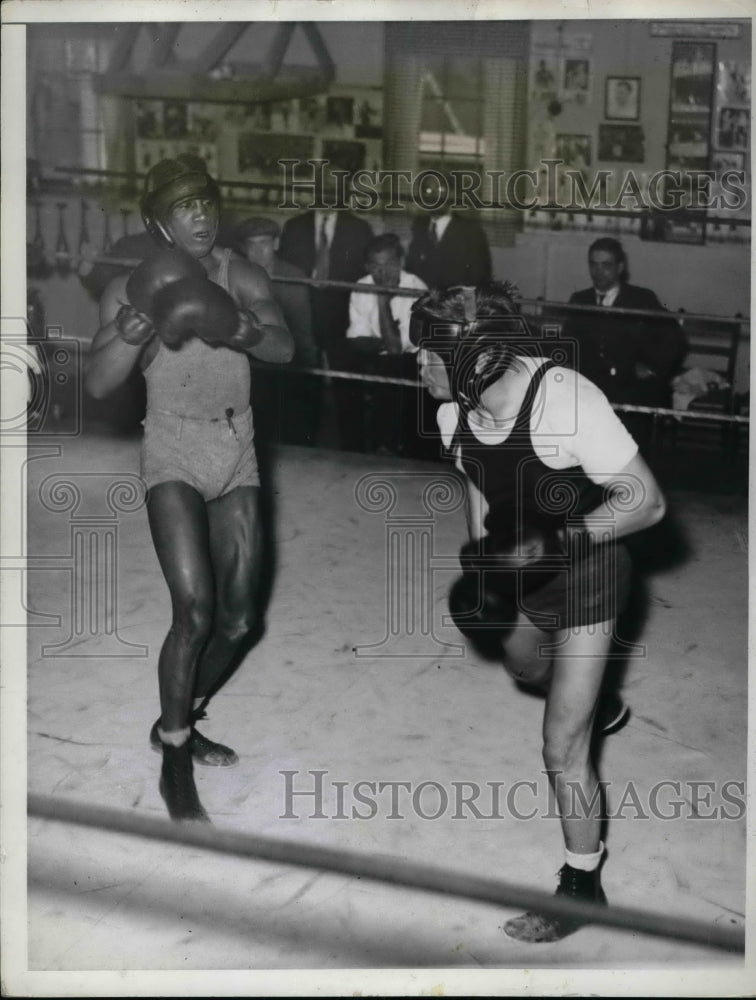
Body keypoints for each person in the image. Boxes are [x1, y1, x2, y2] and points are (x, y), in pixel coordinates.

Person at [412, 281, 666, 942]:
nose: (419, 364)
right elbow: (478, 488)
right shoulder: (454, 414)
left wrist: (560, 541)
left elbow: (646, 501)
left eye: (431, 353)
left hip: (589, 574)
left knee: (561, 744)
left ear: (476, 358)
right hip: (520, 570)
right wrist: (484, 568)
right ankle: (593, 698)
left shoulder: (565, 401)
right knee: (525, 668)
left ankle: (582, 885)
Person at [84, 155, 294, 822]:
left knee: (240, 620)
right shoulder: (129, 287)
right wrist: (131, 333)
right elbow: (98, 383)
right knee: (195, 610)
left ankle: (178, 716)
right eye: (184, 206)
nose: (201, 215)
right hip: (172, 447)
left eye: (206, 201)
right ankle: (175, 759)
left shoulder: (242, 272)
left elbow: (286, 348)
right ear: (159, 223)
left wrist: (241, 328)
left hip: (236, 447)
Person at [562, 238, 687, 447]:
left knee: (628, 445)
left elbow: (676, 341)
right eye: (593, 264)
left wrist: (653, 368)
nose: (598, 272)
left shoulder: (642, 299)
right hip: (590, 388)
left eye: (606, 265)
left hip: (631, 390)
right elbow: (568, 343)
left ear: (620, 267)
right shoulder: (579, 300)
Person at [278, 203, 373, 449]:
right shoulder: (295, 226)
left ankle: (354, 449)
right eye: (323, 185)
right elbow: (285, 271)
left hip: (343, 318)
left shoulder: (359, 228)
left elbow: (365, 274)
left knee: (347, 386)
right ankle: (304, 443)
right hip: (302, 316)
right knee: (303, 382)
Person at [236, 216, 320, 446]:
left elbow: (302, 327)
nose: (258, 251)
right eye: (251, 245)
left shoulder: (292, 276)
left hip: (286, 357)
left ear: (276, 244)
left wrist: (309, 362)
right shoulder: (236, 274)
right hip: (249, 359)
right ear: (243, 248)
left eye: (264, 243)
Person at [344, 233, 428, 455]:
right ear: (367, 266)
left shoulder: (417, 288)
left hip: (415, 361)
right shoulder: (362, 286)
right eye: (376, 266)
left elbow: (397, 349)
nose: (383, 273)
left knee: (393, 368)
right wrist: (386, 342)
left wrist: (382, 301)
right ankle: (369, 448)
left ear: (401, 262)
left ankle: (390, 446)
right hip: (377, 357)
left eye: (390, 264)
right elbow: (357, 339)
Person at [406, 173, 491, 290]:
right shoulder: (419, 227)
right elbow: (411, 271)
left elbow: (481, 278)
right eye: (428, 190)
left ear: (452, 194)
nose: (434, 195)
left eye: (441, 190)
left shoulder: (470, 231)